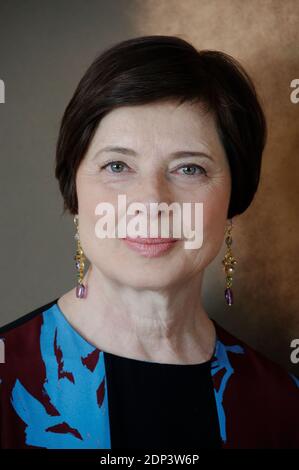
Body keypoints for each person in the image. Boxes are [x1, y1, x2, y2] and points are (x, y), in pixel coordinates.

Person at [0, 35, 298, 450]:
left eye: (189, 168)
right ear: (74, 191)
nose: (152, 202)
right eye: (117, 165)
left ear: (234, 196)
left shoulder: (285, 405)